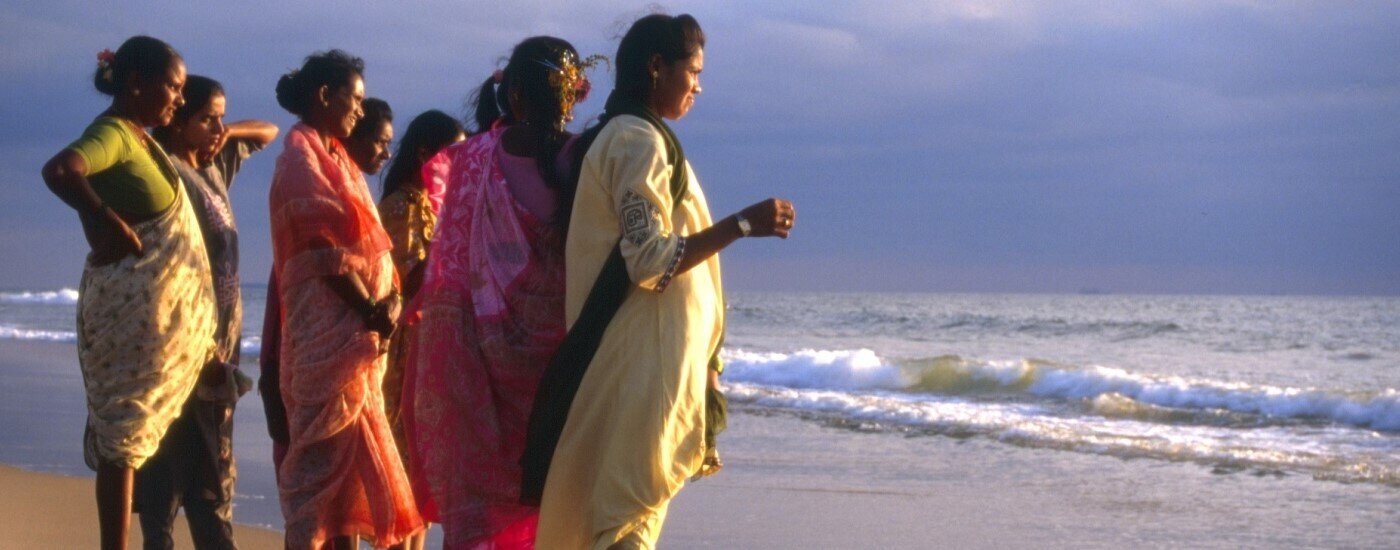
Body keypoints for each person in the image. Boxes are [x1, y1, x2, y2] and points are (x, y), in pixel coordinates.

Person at [521, 14, 796, 548]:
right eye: (691, 71)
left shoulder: (635, 138)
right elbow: (649, 261)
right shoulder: (636, 140)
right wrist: (742, 225)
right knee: (627, 513)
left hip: (645, 362)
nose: (698, 84)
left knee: (618, 514)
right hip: (640, 362)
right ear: (656, 67)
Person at [403, 36, 599, 550]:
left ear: (512, 95)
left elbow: (448, 282)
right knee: (551, 509)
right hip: (558, 366)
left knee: (477, 517)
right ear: (577, 94)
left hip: (474, 369)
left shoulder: (469, 162)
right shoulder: (585, 157)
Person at [40, 35, 217, 550]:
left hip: (145, 325)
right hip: (124, 317)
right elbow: (60, 170)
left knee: (133, 446)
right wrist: (104, 218)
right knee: (123, 443)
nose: (180, 99)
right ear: (136, 83)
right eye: (173, 87)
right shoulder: (114, 133)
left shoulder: (142, 138)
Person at [268, 49, 423, 549]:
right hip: (328, 344)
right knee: (316, 486)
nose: (360, 109)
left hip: (362, 345)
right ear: (323, 96)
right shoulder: (299, 155)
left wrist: (390, 303)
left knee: (354, 482)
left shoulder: (339, 158)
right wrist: (370, 310)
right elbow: (318, 245)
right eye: (353, 99)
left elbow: (375, 248)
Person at [135, 74, 277, 549]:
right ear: (177, 122)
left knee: (208, 467)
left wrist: (224, 132)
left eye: (220, 115)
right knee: (183, 470)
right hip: (186, 345)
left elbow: (267, 131)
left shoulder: (214, 166)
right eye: (206, 117)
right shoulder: (169, 173)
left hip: (222, 341)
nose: (218, 126)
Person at [375, 110, 463, 550]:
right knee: (401, 474)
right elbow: (410, 281)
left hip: (428, 354)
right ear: (426, 154)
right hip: (405, 356)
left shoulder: (428, 207)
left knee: (421, 476)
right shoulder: (402, 207)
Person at [346, 97, 394, 175]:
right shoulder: (326, 180)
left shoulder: (353, 182)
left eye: (387, 144)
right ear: (355, 138)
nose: (387, 155)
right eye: (381, 142)